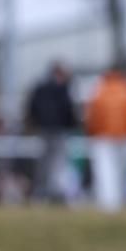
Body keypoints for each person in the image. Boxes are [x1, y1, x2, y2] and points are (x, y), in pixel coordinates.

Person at [84, 66, 126, 212]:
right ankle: (123, 200)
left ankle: (109, 203)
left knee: (105, 171)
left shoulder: (99, 90)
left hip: (103, 136)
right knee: (122, 171)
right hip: (123, 136)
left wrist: (92, 133)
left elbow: (92, 116)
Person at [26, 62, 77, 202]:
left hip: (44, 129)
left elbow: (31, 108)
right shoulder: (63, 89)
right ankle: (53, 192)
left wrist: (35, 122)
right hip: (56, 130)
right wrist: (72, 125)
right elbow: (69, 110)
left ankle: (43, 191)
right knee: (57, 161)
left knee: (45, 162)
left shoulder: (40, 88)